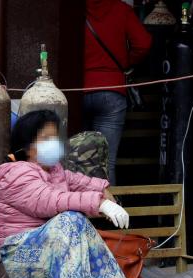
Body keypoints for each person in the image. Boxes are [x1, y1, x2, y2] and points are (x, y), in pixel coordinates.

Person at [0, 110, 158, 278]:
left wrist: (103, 190)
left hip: (58, 265)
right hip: (18, 262)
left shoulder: (55, 171)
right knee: (70, 219)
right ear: (27, 147)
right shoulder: (16, 174)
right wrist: (99, 204)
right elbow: (49, 200)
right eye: (46, 138)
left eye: (55, 137)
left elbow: (83, 182)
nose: (53, 144)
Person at [83, 0, 151, 185]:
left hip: (77, 90)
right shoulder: (122, 9)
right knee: (106, 162)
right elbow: (143, 43)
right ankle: (107, 211)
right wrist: (124, 63)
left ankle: (80, 210)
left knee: (76, 160)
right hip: (111, 90)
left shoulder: (72, 10)